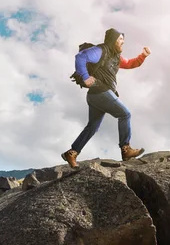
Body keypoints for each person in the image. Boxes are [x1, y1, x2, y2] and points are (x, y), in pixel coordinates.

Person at [62, 28, 150, 168]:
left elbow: (129, 63)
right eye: (120, 39)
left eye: (123, 40)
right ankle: (125, 149)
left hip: (95, 97)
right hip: (100, 91)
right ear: (113, 40)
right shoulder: (100, 50)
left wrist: (142, 56)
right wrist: (85, 77)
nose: (123, 42)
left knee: (92, 127)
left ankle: (72, 153)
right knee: (125, 114)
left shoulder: (116, 57)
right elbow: (80, 57)